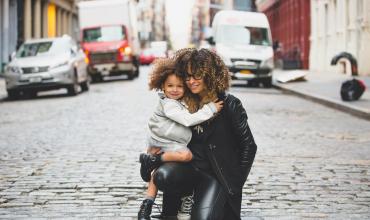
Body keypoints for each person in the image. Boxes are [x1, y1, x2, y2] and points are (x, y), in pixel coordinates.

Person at [151, 48, 257, 219]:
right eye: (187, 76)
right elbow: (165, 132)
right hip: (188, 170)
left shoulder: (229, 104)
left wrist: (234, 183)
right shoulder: (182, 103)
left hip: (215, 176)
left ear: (210, 74)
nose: (191, 81)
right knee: (163, 176)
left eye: (197, 75)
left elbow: (248, 146)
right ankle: (173, 210)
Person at [138, 58, 224, 220]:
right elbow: (187, 120)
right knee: (186, 156)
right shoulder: (169, 104)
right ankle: (153, 159)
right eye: (170, 86)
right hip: (165, 143)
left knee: (156, 177)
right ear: (162, 86)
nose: (175, 90)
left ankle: (146, 207)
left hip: (163, 142)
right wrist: (211, 108)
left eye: (180, 86)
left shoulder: (179, 102)